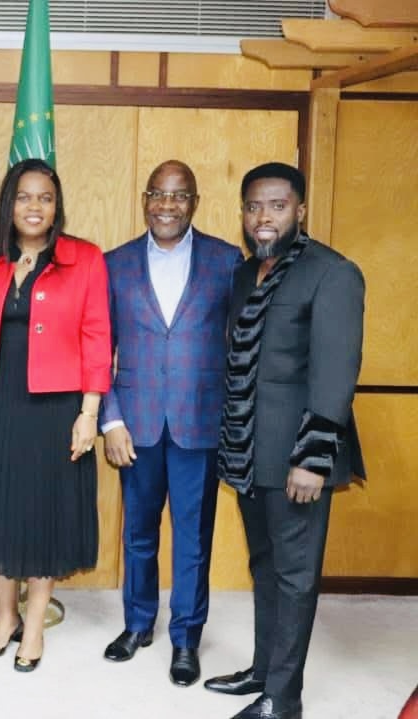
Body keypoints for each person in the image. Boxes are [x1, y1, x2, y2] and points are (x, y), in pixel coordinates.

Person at [206, 163, 365, 719]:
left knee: (295, 577)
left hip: (299, 456)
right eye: (254, 206)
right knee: (266, 567)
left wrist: (313, 458)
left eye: (276, 205)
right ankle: (262, 671)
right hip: (250, 450)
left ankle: (283, 699)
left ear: (299, 209)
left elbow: (335, 374)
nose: (263, 217)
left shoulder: (333, 272)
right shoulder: (246, 273)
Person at [0, 158, 111, 673]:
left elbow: (96, 336)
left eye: (44, 197)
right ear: (7, 204)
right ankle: (3, 619)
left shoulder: (84, 259)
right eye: (23, 197)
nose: (34, 206)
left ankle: (33, 627)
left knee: (43, 517)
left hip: (55, 409)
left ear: (57, 205)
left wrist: (89, 413)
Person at [100, 161, 243, 685]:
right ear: (144, 200)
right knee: (137, 534)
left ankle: (186, 637)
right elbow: (99, 351)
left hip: (199, 424)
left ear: (195, 202)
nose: (167, 205)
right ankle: (137, 625)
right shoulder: (113, 264)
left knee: (192, 539)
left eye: (179, 196)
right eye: (158, 194)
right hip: (134, 426)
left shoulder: (227, 262)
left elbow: (241, 346)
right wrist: (109, 419)